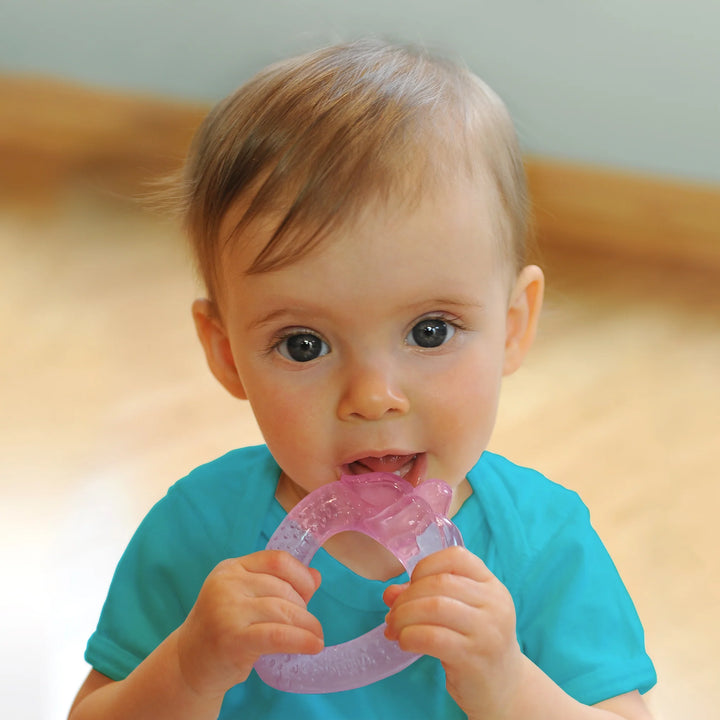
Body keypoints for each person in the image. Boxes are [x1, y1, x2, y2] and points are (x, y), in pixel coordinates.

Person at [68, 39, 656, 720]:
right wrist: (190, 667)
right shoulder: (199, 528)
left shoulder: (544, 543)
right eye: (304, 344)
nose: (374, 396)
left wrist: (507, 683)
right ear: (227, 354)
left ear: (514, 325)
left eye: (430, 331)